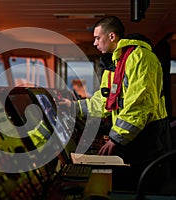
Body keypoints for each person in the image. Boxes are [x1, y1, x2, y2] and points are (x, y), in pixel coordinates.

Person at [60, 16, 171, 188]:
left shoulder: (141, 57)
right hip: (131, 138)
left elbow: (140, 103)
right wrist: (73, 107)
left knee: (144, 188)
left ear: (111, 36)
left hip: (148, 139)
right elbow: (104, 101)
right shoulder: (113, 66)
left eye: (97, 38)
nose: (95, 43)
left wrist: (116, 138)